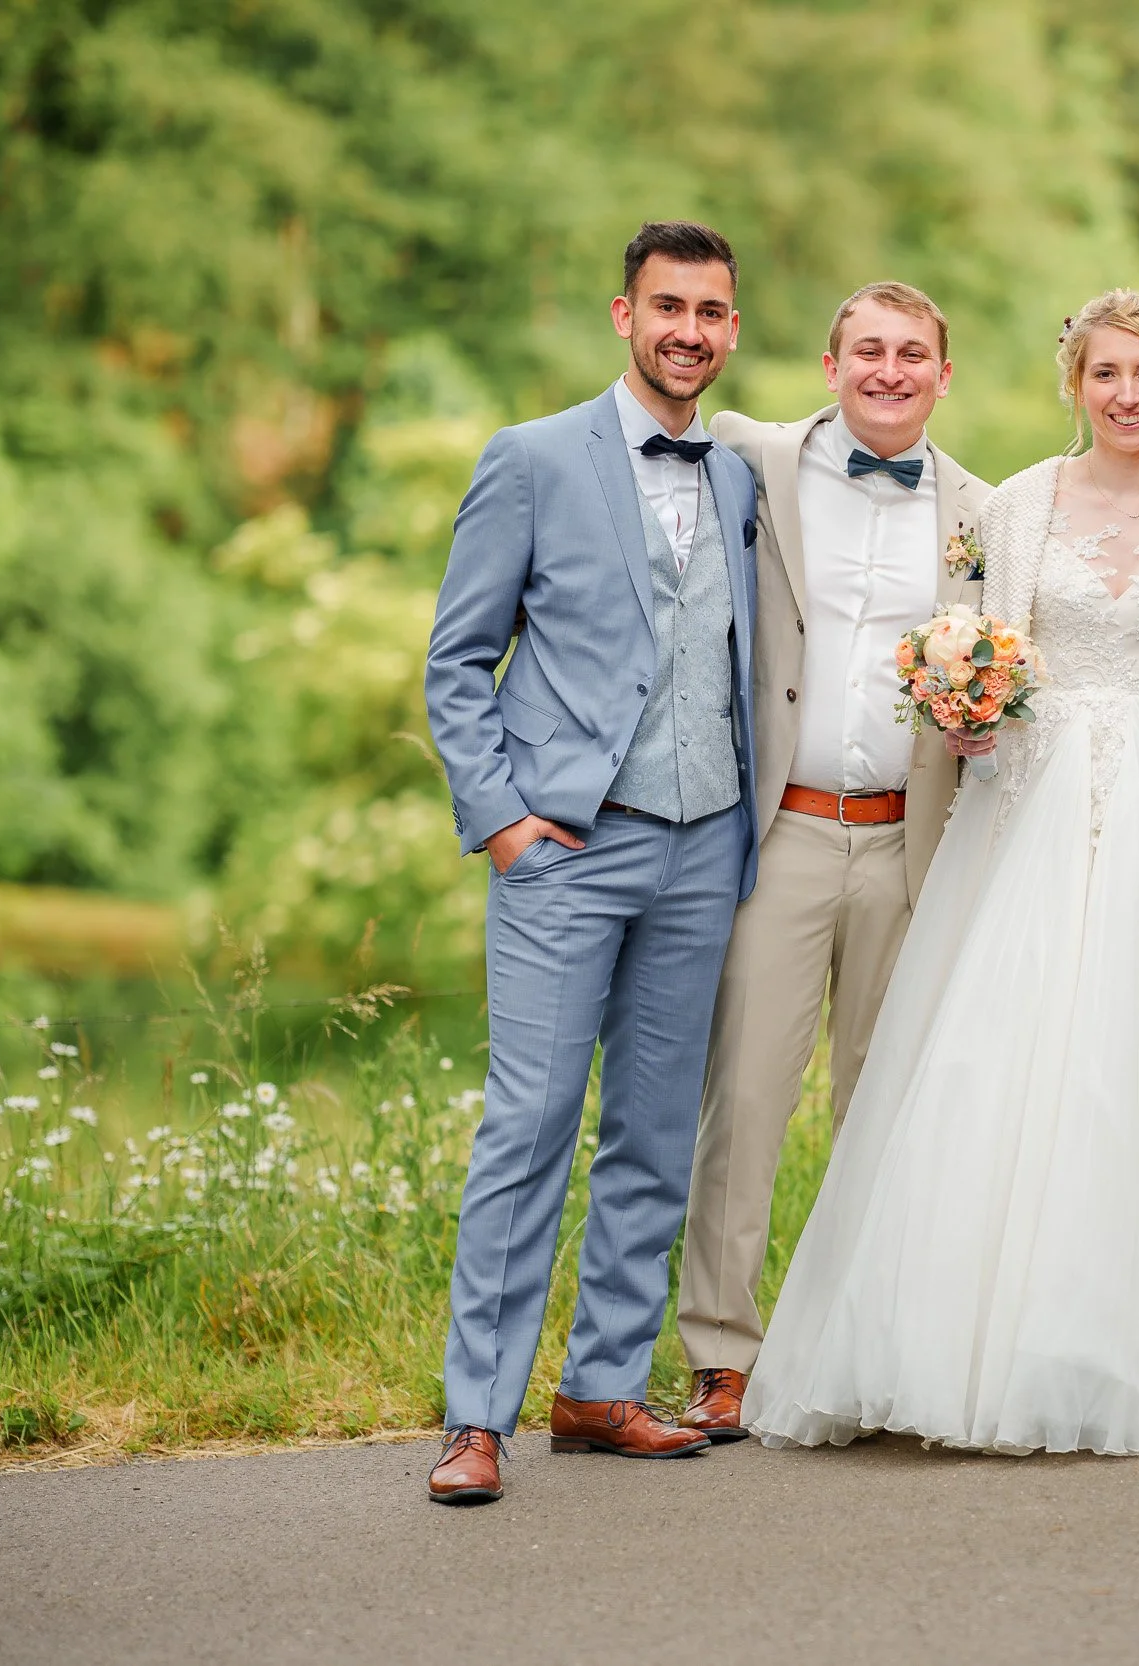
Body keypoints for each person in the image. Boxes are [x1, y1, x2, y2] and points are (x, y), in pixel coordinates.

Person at [744, 290, 1139, 1456]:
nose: (1125, 395)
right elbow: (980, 636)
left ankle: (1138, 1345)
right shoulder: (1017, 501)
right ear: (1073, 384)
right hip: (1022, 803)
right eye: (1103, 375)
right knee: (991, 1056)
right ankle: (949, 1347)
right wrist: (967, 708)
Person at [420, 221, 760, 1504]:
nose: (689, 329)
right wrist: (502, 819)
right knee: (530, 1125)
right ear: (624, 316)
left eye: (712, 311)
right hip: (567, 848)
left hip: (704, 842)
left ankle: (602, 1385)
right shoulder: (531, 459)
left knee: (655, 1131)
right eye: (668, 306)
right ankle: (476, 1415)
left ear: (732, 330)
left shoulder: (735, 476)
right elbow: (458, 659)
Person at [672, 283, 994, 1443]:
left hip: (916, 843)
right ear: (828, 363)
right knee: (745, 1099)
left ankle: (873, 1349)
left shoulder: (982, 513)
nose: (891, 370)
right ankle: (721, 1352)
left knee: (888, 1103)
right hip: (782, 833)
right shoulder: (749, 458)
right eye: (870, 349)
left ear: (944, 376)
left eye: (914, 353)